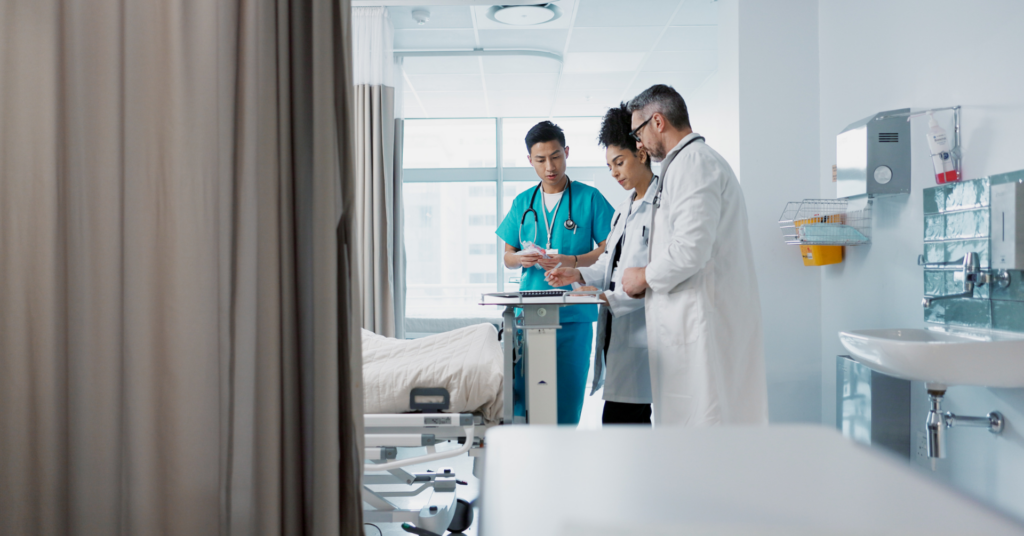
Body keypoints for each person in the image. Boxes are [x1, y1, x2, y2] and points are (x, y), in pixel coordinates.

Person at [620, 84, 768, 426]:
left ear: (658, 122)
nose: (638, 143)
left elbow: (690, 249)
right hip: (693, 321)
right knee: (698, 425)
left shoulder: (694, 164)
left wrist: (643, 276)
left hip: (704, 322)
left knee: (708, 424)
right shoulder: (684, 165)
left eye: (637, 132)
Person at [496, 121, 615, 425]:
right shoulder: (523, 202)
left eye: (556, 156)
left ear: (567, 153)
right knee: (529, 402)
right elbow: (506, 257)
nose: (550, 166)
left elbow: (611, 249)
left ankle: (563, 466)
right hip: (531, 311)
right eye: (540, 159)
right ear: (530, 160)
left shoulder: (589, 198)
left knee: (566, 401)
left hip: (574, 314)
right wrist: (519, 258)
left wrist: (572, 260)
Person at [545, 104, 656, 425]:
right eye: (609, 167)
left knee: (624, 427)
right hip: (620, 336)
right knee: (623, 425)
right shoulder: (625, 208)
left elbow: (655, 274)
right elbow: (611, 261)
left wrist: (605, 297)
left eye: (619, 163)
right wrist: (578, 273)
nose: (615, 173)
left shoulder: (661, 207)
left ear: (642, 152)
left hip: (644, 334)